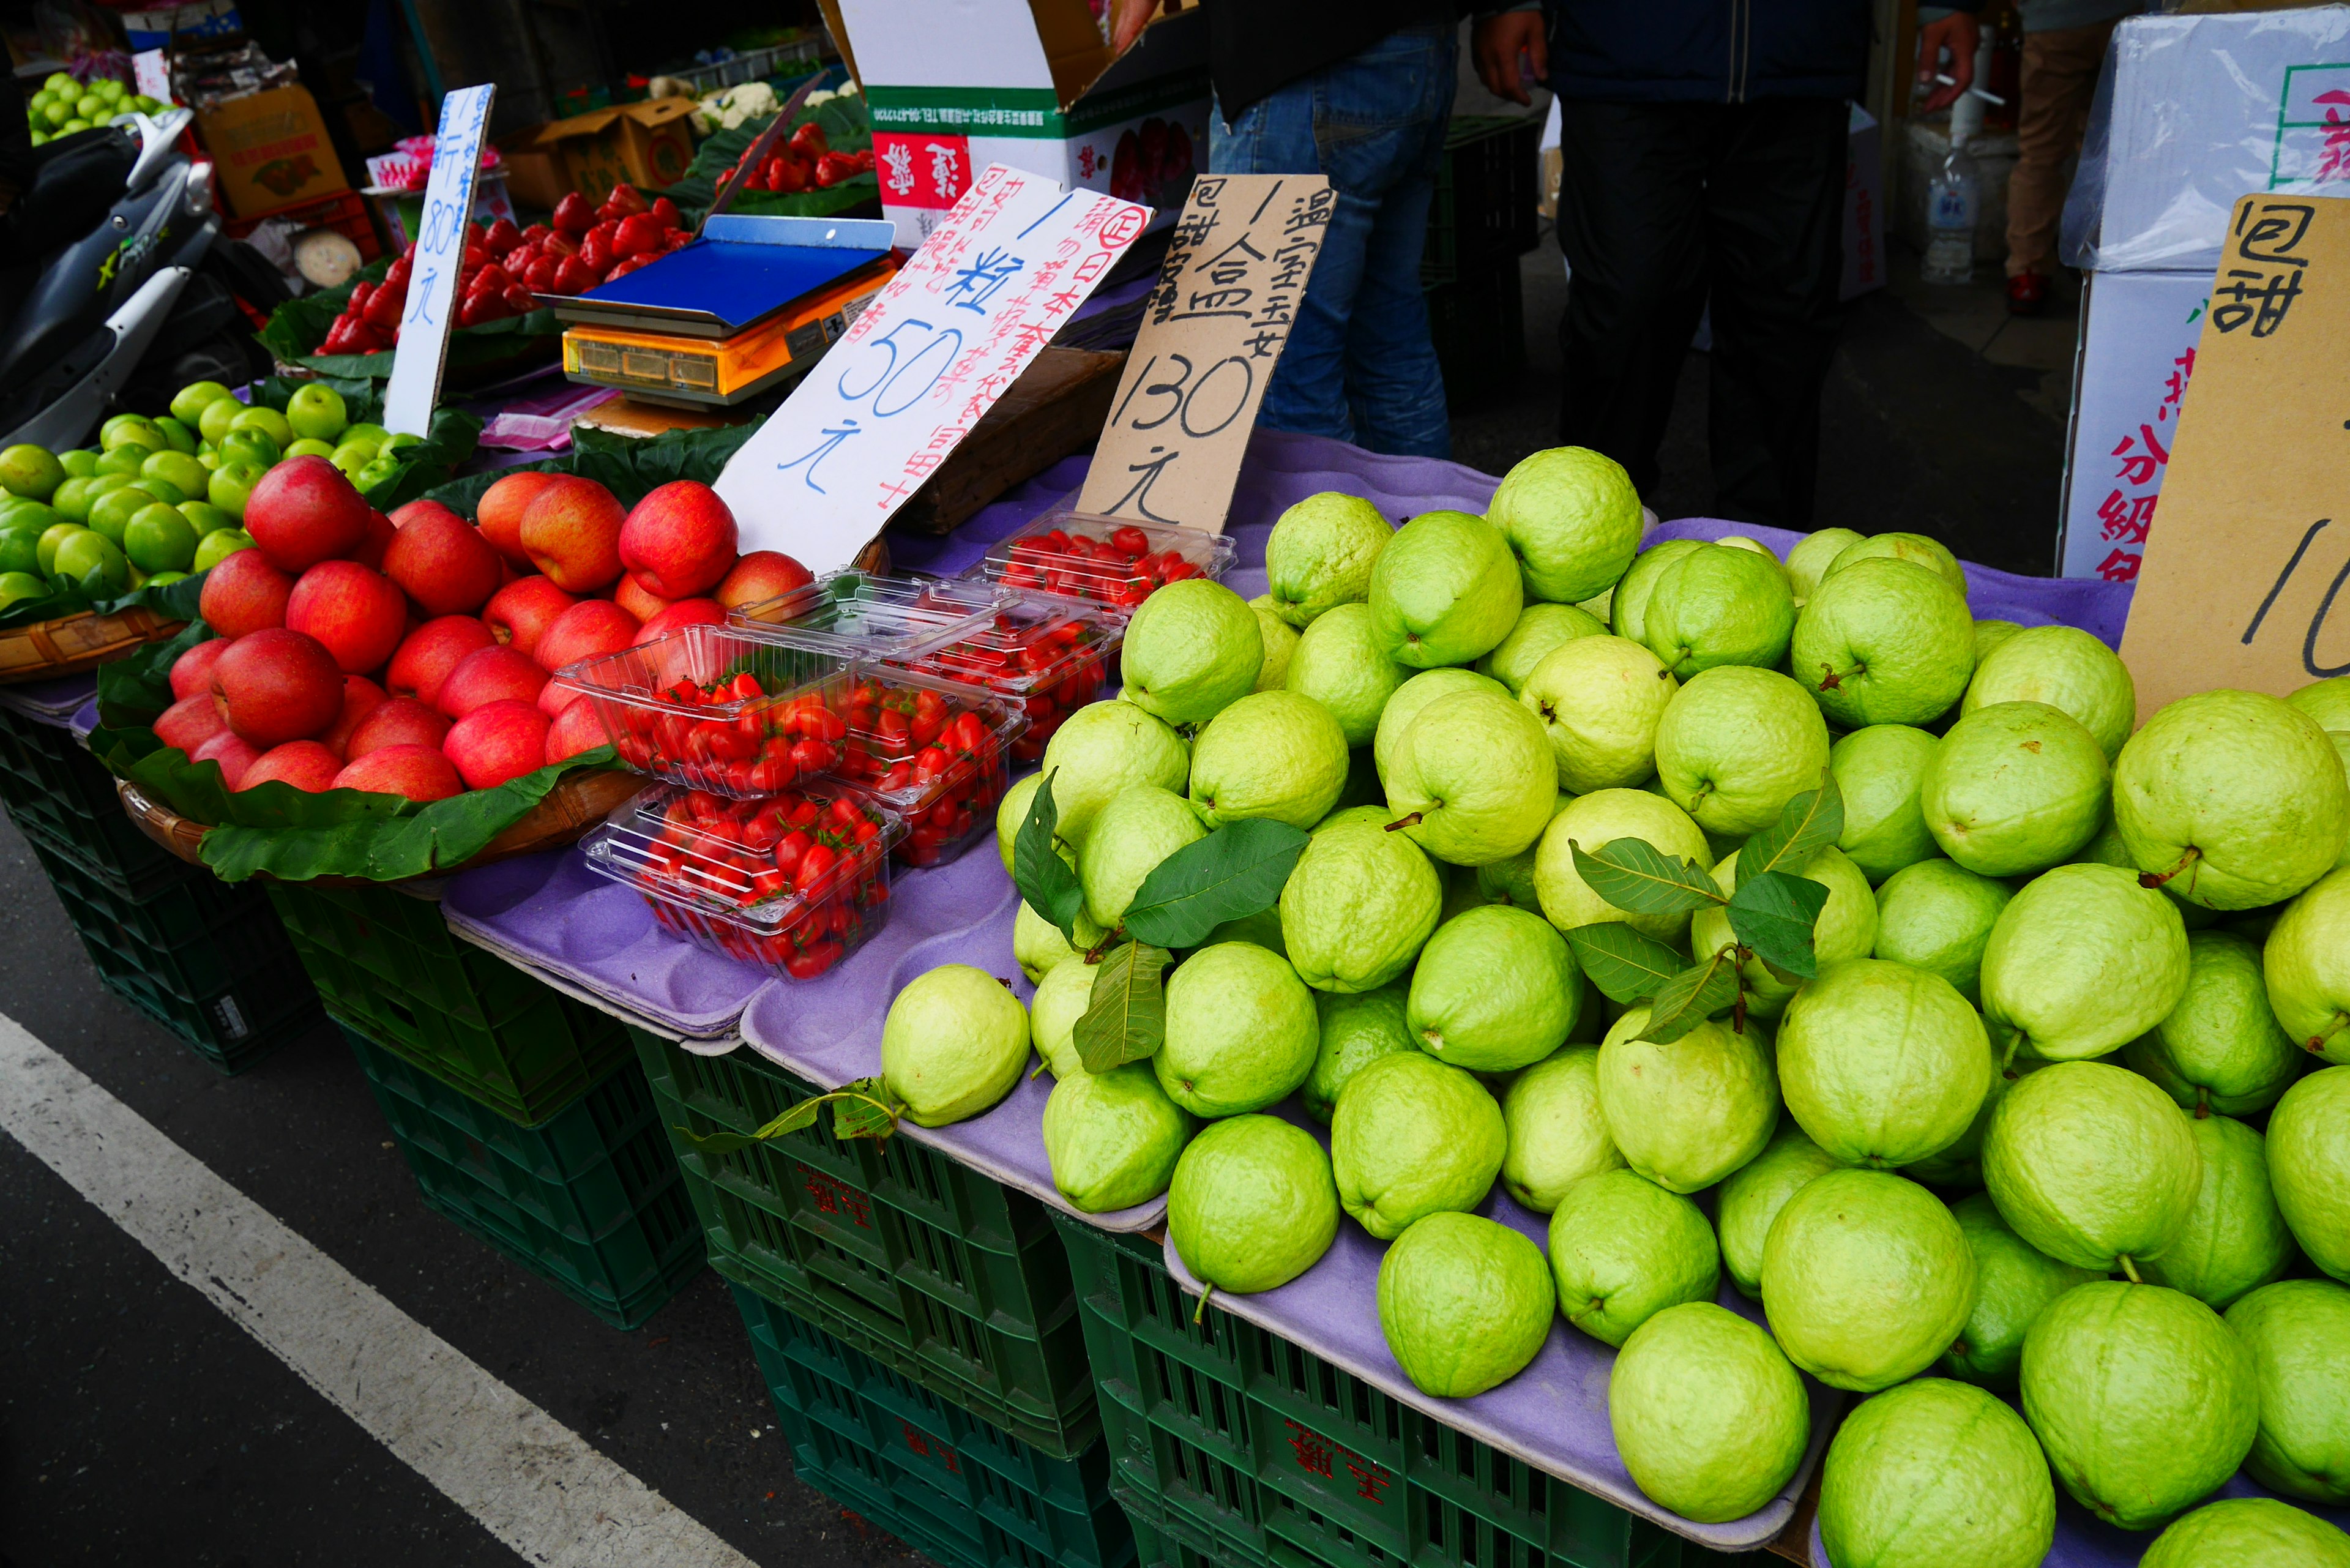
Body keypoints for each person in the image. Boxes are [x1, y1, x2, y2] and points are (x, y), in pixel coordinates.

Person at [1472, 2, 1979, 526]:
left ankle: (1765, 546)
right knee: (1625, 310)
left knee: (1785, 320)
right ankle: (1586, 535)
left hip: (1797, 53)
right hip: (1625, 45)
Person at [1111, 0, 1461, 459]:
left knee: (1279, 367)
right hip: (1413, 46)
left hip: (1300, 62)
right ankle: (1434, 525)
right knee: (1388, 342)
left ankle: (1329, 527)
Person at [2005, 2, 2143, 316]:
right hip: (2129, 16)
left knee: (2040, 152)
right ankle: (2096, 256)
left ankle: (2028, 273)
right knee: (2114, 144)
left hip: (2055, 19)